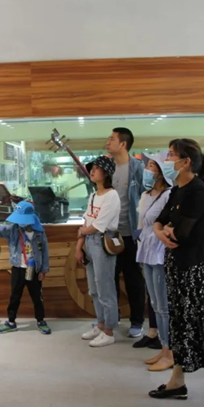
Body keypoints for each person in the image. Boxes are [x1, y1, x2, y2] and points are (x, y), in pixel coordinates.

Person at [148, 139, 204, 407]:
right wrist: (160, 231)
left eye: (171, 155)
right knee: (180, 324)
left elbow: (180, 233)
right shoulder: (178, 189)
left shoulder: (199, 192)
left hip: (193, 269)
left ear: (186, 162)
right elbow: (160, 220)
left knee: (197, 328)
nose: (167, 160)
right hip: (177, 265)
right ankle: (177, 382)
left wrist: (165, 232)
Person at [104, 127, 146, 338]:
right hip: (109, 234)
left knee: (134, 280)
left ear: (123, 144)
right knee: (108, 279)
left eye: (111, 139)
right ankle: (112, 319)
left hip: (130, 234)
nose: (107, 142)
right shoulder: (106, 167)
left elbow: (145, 197)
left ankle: (137, 321)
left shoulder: (138, 168)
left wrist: (142, 230)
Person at [76, 155, 121, 347]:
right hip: (89, 242)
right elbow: (87, 220)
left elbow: (98, 225)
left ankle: (109, 330)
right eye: (92, 168)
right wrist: (79, 245)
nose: (92, 171)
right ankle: (100, 324)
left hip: (102, 243)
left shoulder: (112, 195)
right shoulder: (93, 195)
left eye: (96, 168)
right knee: (94, 289)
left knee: (105, 288)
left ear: (106, 173)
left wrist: (82, 232)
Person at [136, 151, 173, 371]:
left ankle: (170, 351)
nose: (146, 170)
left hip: (159, 252)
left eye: (151, 165)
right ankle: (164, 348)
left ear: (160, 170)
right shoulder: (146, 195)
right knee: (155, 305)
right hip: (146, 251)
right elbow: (142, 224)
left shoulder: (169, 195)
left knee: (163, 305)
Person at [0, 201, 51, 335]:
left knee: (37, 296)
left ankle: (41, 320)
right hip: (18, 268)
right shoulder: (13, 229)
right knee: (14, 296)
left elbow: (45, 251)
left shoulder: (39, 232)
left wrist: (44, 270)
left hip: (34, 269)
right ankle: (11, 322)